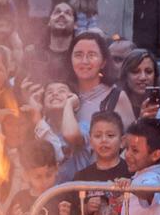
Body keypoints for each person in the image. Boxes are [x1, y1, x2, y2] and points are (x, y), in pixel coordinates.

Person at [59, 109, 129, 215]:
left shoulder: (130, 173)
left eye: (110, 136)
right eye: (98, 136)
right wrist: (86, 208)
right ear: (90, 140)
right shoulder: (82, 177)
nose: (104, 141)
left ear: (123, 140)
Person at [57, 31, 135, 168]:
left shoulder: (116, 96)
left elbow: (130, 143)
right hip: (60, 180)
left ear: (103, 62)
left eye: (92, 55)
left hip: (99, 182)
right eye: (78, 55)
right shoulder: (60, 93)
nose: (84, 61)